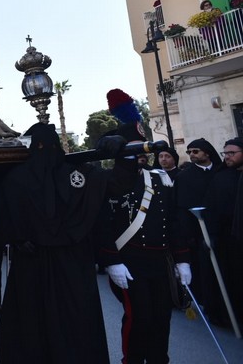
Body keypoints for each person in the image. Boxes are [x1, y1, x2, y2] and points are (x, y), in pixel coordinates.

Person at [0, 122, 113, 363]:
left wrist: (17, 238)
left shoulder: (15, 177)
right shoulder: (81, 174)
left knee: (31, 321)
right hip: (71, 262)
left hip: (31, 260)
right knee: (75, 319)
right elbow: (96, 205)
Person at [99, 88, 191, 364]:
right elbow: (101, 224)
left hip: (159, 261)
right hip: (129, 261)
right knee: (139, 317)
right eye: (134, 150)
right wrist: (111, 261)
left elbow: (173, 221)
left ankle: (159, 359)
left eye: (142, 149)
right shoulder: (108, 181)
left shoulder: (159, 179)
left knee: (161, 317)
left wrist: (183, 260)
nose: (142, 155)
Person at [174, 137, 222, 308]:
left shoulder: (220, 171)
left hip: (224, 230)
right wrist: (188, 236)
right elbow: (182, 208)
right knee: (206, 273)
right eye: (189, 152)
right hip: (199, 232)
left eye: (195, 151)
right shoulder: (184, 177)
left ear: (207, 153)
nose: (191, 155)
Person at [204, 137, 243, 328]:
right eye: (225, 153)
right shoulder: (220, 178)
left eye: (232, 153)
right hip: (229, 241)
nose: (227, 157)